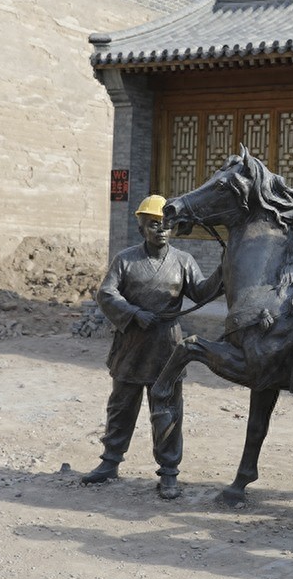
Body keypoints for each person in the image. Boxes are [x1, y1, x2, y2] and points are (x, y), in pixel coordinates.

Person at [82, 194, 223, 499]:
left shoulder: (183, 261)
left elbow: (200, 292)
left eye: (165, 225)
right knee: (120, 407)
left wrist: (224, 272)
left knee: (167, 411)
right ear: (141, 227)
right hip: (131, 345)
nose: (160, 230)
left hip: (166, 348)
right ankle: (110, 462)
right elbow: (106, 294)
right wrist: (134, 313)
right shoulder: (126, 260)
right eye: (152, 225)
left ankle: (169, 472)